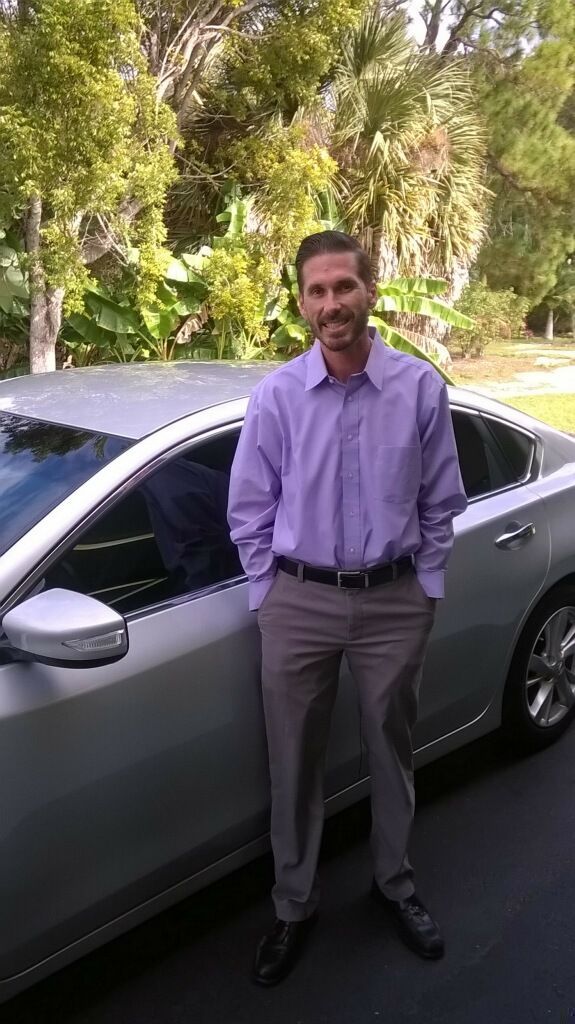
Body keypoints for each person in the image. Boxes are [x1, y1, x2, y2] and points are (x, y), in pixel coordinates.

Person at [227, 230, 468, 987]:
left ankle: (394, 885)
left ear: (370, 290)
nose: (331, 304)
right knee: (291, 763)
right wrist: (270, 594)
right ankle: (294, 905)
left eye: (343, 287)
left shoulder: (419, 389)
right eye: (316, 291)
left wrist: (423, 586)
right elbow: (248, 510)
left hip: (394, 601)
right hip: (298, 603)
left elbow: (441, 500)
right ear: (301, 303)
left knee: (390, 753)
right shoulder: (275, 398)